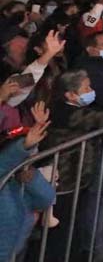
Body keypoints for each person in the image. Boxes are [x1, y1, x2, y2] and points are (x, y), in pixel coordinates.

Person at [40, 70, 103, 259]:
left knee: (73, 227)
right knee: (60, 231)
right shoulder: (66, 113)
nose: (91, 90)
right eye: (86, 88)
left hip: (77, 177)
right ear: (70, 94)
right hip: (63, 179)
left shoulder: (76, 109)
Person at [0, 101, 55, 260]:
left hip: (16, 250)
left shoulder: (19, 181)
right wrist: (23, 146)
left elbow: (45, 199)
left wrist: (32, 179)